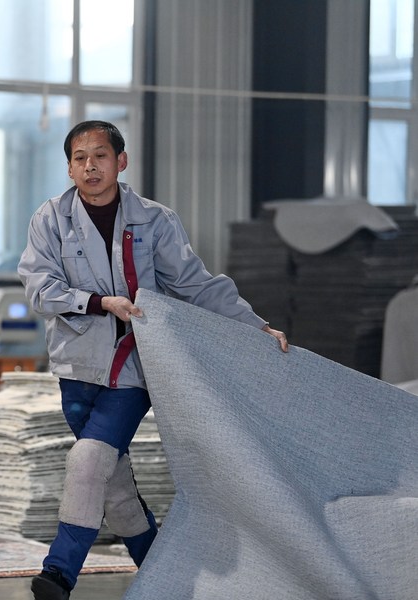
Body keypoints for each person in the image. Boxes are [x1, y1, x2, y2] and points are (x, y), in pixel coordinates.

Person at [17, 120, 288, 600]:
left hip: (135, 366)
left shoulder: (155, 220)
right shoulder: (50, 219)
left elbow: (195, 283)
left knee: (89, 461)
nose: (90, 166)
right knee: (114, 486)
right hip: (76, 367)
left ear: (121, 162)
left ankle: (58, 574)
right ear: (70, 168)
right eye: (80, 158)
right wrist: (100, 302)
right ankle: (166, 573)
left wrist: (255, 326)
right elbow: (40, 289)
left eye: (100, 156)